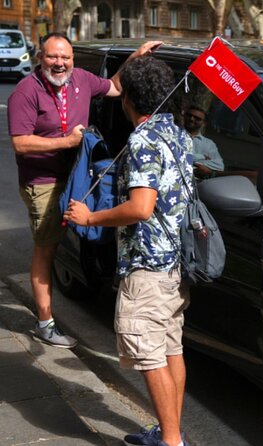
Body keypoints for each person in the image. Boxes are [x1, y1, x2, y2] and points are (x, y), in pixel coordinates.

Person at [64, 56, 193, 446]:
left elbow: (141, 207)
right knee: (170, 349)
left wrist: (89, 218)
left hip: (147, 266)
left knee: (148, 353)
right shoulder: (179, 134)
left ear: (129, 100)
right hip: (174, 265)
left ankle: (170, 441)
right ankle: (170, 431)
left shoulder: (142, 140)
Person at [7, 32, 161, 349]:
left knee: (87, 230)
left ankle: (88, 282)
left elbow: (116, 87)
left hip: (79, 173)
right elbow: (20, 143)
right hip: (44, 181)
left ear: (73, 59)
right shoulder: (26, 91)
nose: (60, 63)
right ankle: (45, 324)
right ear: (40, 58)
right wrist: (66, 142)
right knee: (46, 247)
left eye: (66, 57)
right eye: (53, 57)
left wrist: (137, 55)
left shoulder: (82, 80)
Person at [183, 105, 225, 179]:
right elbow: (177, 157)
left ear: (204, 123)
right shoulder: (173, 134)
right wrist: (202, 157)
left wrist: (193, 163)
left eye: (197, 118)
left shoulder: (209, 144)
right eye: (189, 115)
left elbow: (219, 166)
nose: (192, 119)